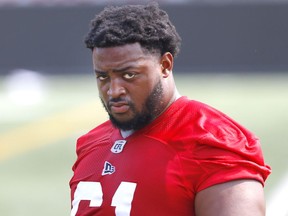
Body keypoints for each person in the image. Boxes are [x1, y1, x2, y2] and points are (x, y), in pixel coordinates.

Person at [69, 3, 271, 216]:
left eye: (129, 75)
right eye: (103, 77)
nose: (114, 90)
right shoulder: (90, 144)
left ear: (165, 65)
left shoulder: (214, 141)